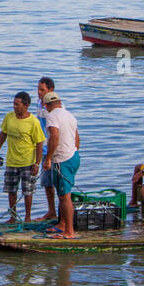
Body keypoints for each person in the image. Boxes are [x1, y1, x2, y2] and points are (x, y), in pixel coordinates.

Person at [0, 91, 46, 223]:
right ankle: (13, 216)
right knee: (11, 190)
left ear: (26, 105)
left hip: (28, 161)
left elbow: (39, 143)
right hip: (12, 161)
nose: (14, 107)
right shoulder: (9, 117)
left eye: (17, 104)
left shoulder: (33, 122)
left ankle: (27, 217)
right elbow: (3, 134)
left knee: (28, 191)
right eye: (13, 104)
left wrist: (37, 164)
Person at [40, 92, 80, 239]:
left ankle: (69, 231)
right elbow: (77, 138)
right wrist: (73, 152)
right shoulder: (70, 115)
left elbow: (54, 137)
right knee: (63, 193)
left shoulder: (51, 116)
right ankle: (62, 223)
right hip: (73, 156)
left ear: (47, 105)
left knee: (64, 196)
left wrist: (48, 158)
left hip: (62, 159)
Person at [35, 76, 58, 219]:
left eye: (42, 90)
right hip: (42, 148)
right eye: (38, 89)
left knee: (58, 183)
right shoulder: (39, 103)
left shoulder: (55, 107)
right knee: (46, 182)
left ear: (51, 90)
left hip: (53, 148)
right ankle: (51, 211)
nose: (39, 92)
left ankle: (60, 215)